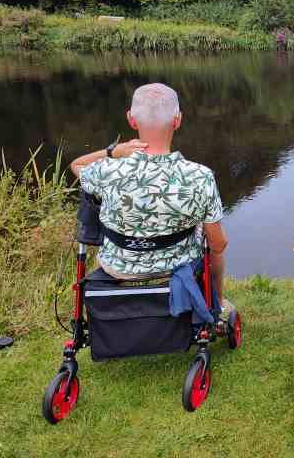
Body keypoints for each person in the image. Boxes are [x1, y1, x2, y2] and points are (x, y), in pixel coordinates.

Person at [69, 83, 231, 315]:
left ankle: (110, 310)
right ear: (177, 120)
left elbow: (77, 164)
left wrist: (114, 151)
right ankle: (218, 304)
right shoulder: (200, 176)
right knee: (216, 247)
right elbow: (218, 244)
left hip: (117, 267)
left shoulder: (107, 170)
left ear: (131, 120)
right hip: (178, 264)